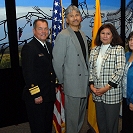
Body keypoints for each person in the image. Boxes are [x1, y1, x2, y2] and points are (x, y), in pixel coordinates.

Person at [52, 5, 89, 133]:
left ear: (81, 17)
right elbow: (57, 62)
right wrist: (63, 81)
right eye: (71, 16)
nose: (75, 18)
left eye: (77, 15)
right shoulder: (64, 35)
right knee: (72, 119)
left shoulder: (83, 34)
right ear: (66, 19)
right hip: (72, 84)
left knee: (80, 117)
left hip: (84, 84)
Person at [21, 19, 57, 133]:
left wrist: (54, 85)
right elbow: (28, 73)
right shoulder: (29, 48)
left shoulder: (48, 45)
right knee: (38, 127)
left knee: (47, 126)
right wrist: (36, 94)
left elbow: (50, 68)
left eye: (46, 28)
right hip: (37, 96)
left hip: (48, 93)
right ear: (34, 31)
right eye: (40, 29)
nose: (43, 31)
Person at [89, 23, 126, 133]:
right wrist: (91, 86)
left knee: (111, 125)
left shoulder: (118, 49)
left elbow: (120, 70)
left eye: (108, 33)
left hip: (111, 93)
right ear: (99, 35)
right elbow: (91, 69)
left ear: (113, 35)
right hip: (97, 92)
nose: (105, 36)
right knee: (101, 123)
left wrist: (107, 87)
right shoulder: (94, 50)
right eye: (103, 33)